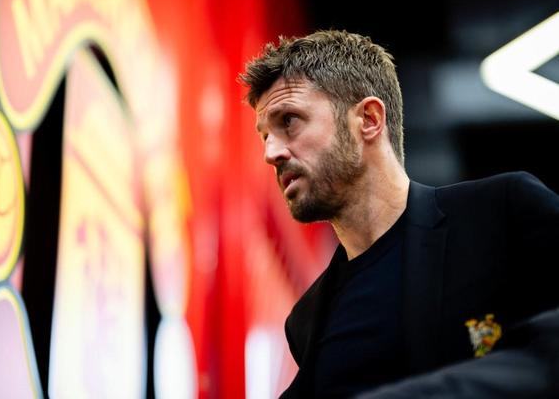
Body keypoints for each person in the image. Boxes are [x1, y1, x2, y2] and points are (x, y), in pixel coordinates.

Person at [238, 30, 559, 398]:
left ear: (369, 119)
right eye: (265, 136)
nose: (271, 153)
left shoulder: (502, 215)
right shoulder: (307, 320)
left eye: (289, 121)